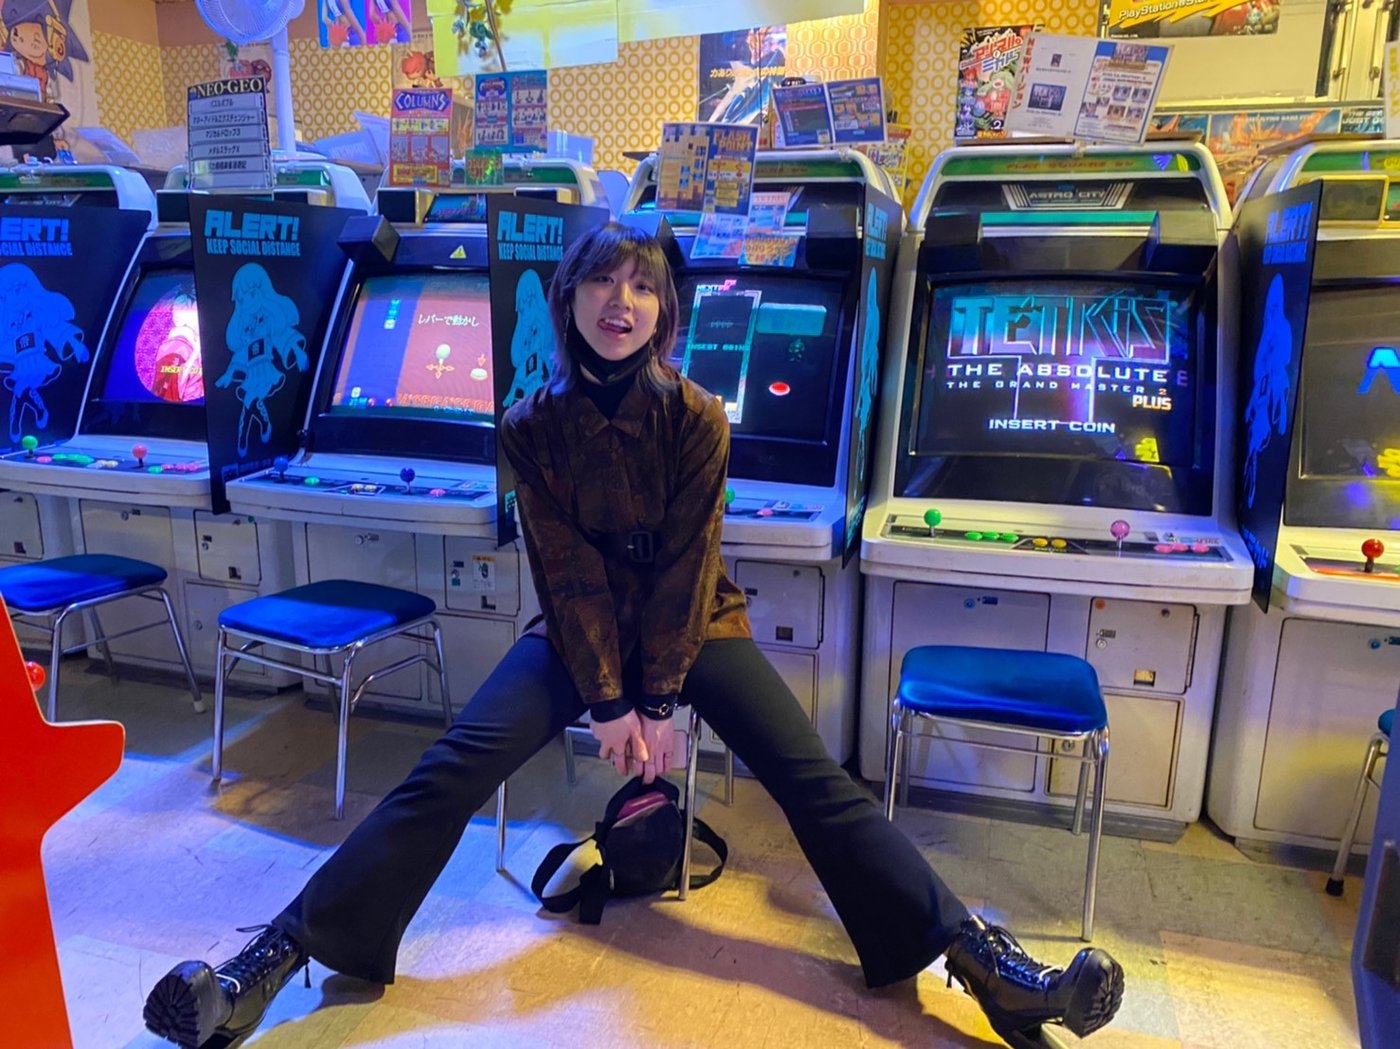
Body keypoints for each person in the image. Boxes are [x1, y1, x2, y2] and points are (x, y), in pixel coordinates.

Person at [141, 223, 1126, 1049]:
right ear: (568, 298)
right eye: (603, 282)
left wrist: (655, 701)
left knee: (813, 780)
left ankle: (986, 966)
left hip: (696, 623)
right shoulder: (530, 423)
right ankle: (270, 959)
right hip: (578, 634)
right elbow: (565, 571)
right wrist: (609, 702)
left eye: (643, 286)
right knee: (449, 766)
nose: (621, 300)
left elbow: (688, 568)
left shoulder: (696, 415)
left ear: (664, 311)